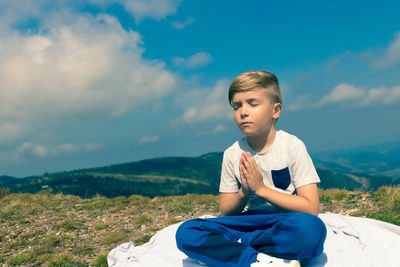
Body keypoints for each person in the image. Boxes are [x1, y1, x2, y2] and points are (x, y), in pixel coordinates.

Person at [176, 70, 327, 267]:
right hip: (245, 223)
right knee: (187, 232)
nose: (243, 112)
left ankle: (236, 252)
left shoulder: (292, 146)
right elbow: (226, 212)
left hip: (284, 220)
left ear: (275, 110)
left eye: (253, 104)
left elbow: (310, 207)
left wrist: (261, 189)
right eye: (236, 106)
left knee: (311, 229)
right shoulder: (232, 153)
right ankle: (259, 260)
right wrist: (245, 192)